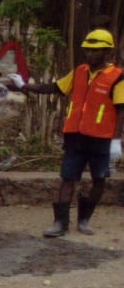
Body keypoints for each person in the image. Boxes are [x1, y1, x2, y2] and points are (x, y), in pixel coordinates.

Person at [22, 29, 123, 236]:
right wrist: (25, 86)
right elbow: (56, 87)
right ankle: (60, 223)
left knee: (99, 179)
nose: (89, 54)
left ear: (107, 52)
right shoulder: (79, 72)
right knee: (68, 177)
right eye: (87, 50)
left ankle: (84, 218)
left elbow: (122, 109)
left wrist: (116, 140)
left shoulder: (118, 77)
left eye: (95, 51)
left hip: (101, 137)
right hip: (75, 136)